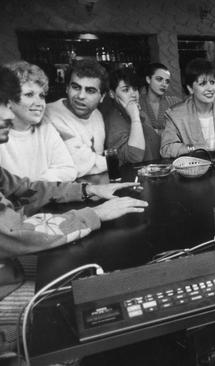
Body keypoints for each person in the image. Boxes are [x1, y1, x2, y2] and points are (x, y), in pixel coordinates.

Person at [0, 66, 148, 354]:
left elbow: (27, 187)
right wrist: (98, 214)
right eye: (4, 105)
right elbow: (16, 233)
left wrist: (89, 190)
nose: (8, 115)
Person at [0, 61, 76, 182]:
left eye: (42, 95)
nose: (40, 103)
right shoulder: (2, 135)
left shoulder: (45, 128)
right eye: (29, 94)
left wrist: (36, 187)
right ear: (8, 100)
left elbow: (68, 170)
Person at [43, 59, 108, 177]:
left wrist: (95, 162)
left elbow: (92, 163)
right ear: (67, 88)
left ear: (102, 97)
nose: (81, 96)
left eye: (90, 91)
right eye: (76, 87)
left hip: (94, 187)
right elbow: (77, 165)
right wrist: (111, 162)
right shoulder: (49, 115)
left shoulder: (97, 114)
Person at [101, 67, 161, 165]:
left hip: (155, 172)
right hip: (133, 178)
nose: (133, 94)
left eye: (135, 89)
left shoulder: (140, 113)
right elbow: (134, 156)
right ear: (112, 94)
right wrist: (135, 118)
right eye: (126, 90)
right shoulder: (113, 121)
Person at [139, 62, 182, 135]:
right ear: (148, 79)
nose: (164, 84)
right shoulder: (138, 103)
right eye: (159, 79)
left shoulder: (175, 102)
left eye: (167, 81)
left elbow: (183, 130)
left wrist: (156, 132)